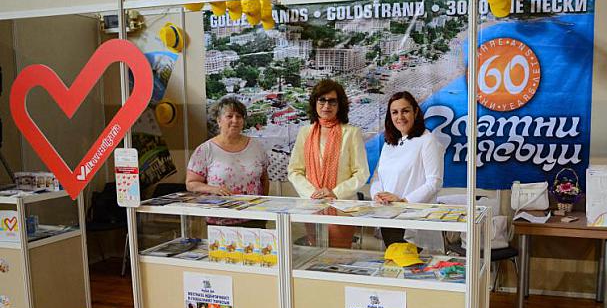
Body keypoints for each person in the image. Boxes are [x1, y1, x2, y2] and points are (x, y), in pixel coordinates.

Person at [288, 79, 369, 247]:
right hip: (312, 206)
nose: (326, 106)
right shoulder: (305, 133)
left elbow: (361, 173)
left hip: (342, 208)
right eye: (322, 100)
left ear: (340, 105)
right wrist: (313, 193)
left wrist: (334, 193)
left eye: (332, 101)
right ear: (315, 103)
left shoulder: (351, 133)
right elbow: (294, 171)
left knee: (339, 257)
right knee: (314, 255)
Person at [371, 91, 444, 247]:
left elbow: (434, 183)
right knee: (392, 261)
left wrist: (403, 201)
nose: (400, 117)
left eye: (405, 111)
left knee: (414, 262)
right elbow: (377, 177)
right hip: (388, 218)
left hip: (414, 222)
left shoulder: (427, 140)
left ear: (415, 112)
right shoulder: (389, 143)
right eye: (395, 112)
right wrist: (377, 195)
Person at [186, 96, 270, 198]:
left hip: (253, 207)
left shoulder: (256, 146)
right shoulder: (205, 150)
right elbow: (191, 184)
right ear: (219, 120)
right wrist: (213, 189)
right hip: (218, 207)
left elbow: (264, 180)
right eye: (229, 116)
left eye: (239, 116)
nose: (235, 120)